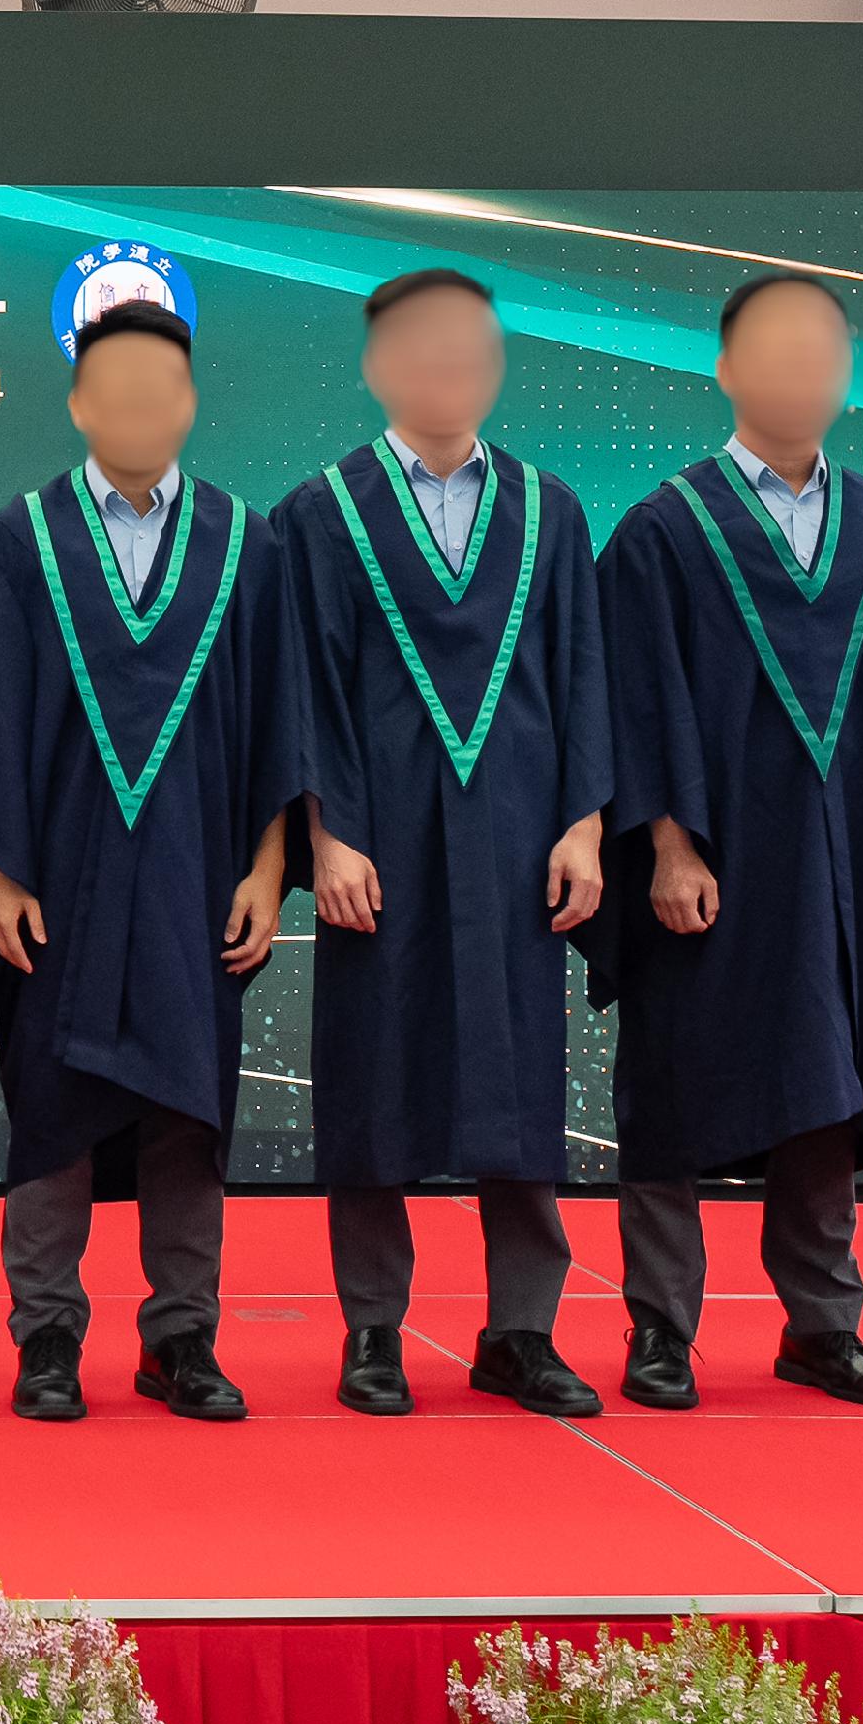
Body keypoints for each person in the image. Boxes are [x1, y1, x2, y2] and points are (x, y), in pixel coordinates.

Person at [0, 300, 303, 1425]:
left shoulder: (247, 543)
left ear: (187, 403)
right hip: (59, 878)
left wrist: (263, 867)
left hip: (196, 875)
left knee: (189, 1108)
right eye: (115, 389)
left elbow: (281, 722)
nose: (138, 408)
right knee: (53, 1103)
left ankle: (181, 1336)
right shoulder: (15, 542)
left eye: (160, 389)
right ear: (80, 402)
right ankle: (47, 1334)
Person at [587, 273, 863, 1410]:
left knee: (827, 1083)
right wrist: (666, 845)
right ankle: (660, 1328)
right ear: (726, 371)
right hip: (710, 862)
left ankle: (821, 1327)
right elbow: (631, 697)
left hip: (843, 861)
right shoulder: (662, 528)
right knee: (674, 1078)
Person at [279, 271, 613, 1418]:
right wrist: (325, 836)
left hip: (519, 835)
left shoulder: (550, 509)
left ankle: (520, 1329)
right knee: (375, 1077)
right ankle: (372, 1327)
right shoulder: (320, 512)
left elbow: (581, 676)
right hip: (382, 839)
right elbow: (305, 694)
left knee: (519, 1085)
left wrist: (582, 823)